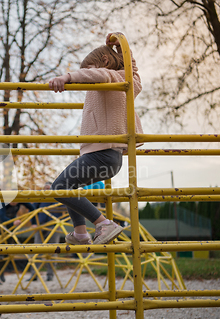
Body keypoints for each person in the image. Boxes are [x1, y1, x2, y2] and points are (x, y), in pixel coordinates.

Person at [49, 32, 143, 246]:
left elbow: (98, 74)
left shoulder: (109, 78)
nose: (85, 76)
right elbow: (133, 71)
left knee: (60, 187)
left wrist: (68, 77)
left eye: (87, 70)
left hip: (101, 154)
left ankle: (104, 224)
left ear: (105, 62)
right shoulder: (128, 81)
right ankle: (80, 233)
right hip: (110, 157)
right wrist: (122, 50)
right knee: (70, 186)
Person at [30, 182, 63, 281]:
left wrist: (61, 223)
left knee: (53, 251)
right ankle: (34, 274)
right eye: (46, 188)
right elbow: (32, 209)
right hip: (40, 226)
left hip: (54, 227)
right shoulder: (40, 197)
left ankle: (50, 275)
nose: (47, 190)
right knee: (36, 250)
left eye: (49, 188)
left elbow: (65, 211)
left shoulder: (58, 198)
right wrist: (33, 222)